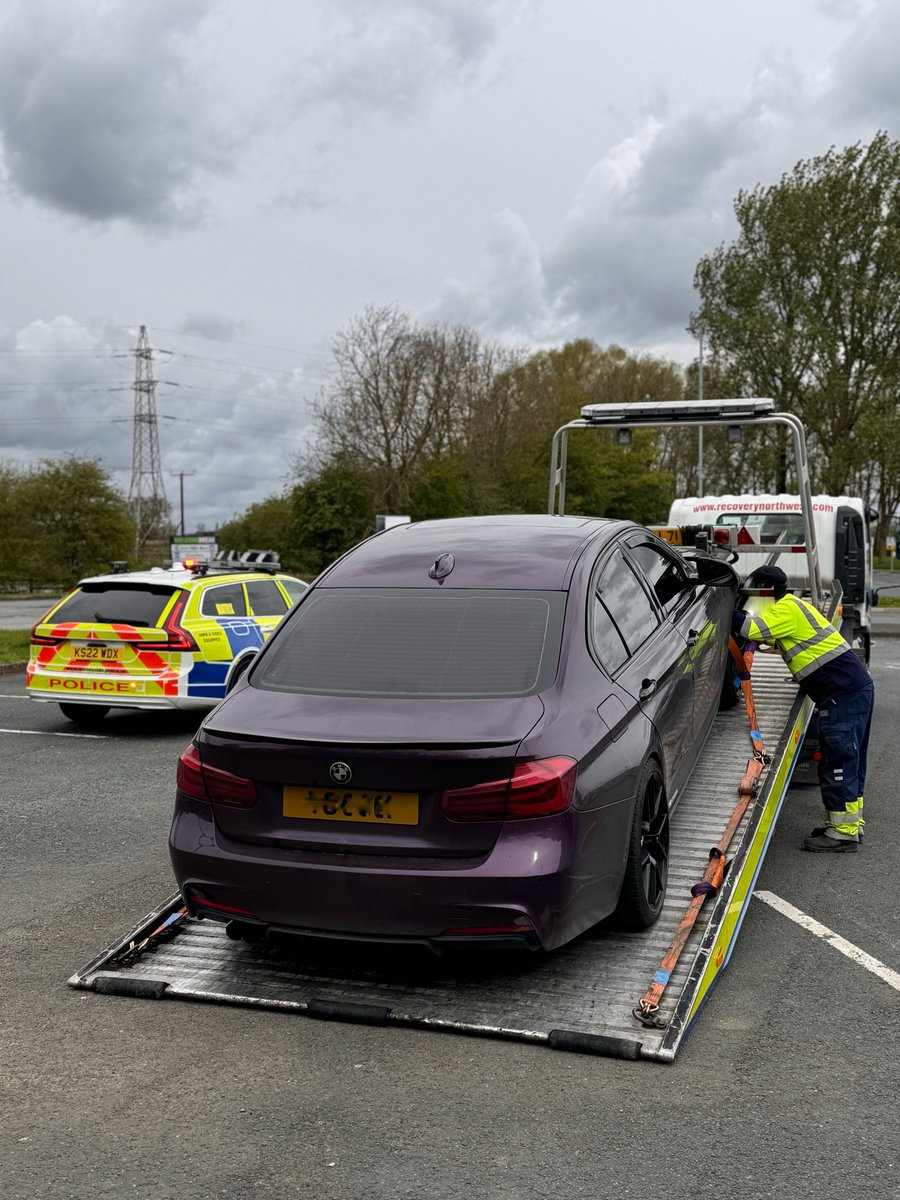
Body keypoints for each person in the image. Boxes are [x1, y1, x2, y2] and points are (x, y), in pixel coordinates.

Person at [731, 564, 874, 853]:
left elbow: (751, 629)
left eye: (753, 595)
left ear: (765, 592)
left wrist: (723, 609)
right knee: (851, 760)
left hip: (841, 694)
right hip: (852, 690)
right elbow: (768, 638)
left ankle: (842, 834)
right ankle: (848, 825)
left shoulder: (786, 610)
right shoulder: (792, 606)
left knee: (838, 761)